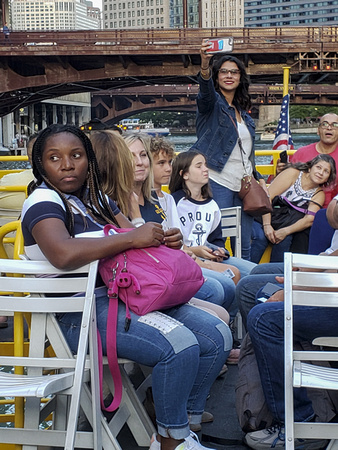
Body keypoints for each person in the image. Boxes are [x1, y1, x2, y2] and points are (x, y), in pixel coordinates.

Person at [20, 124, 232, 450]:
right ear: (40, 164)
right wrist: (133, 236)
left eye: (76, 155)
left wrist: (163, 239)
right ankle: (170, 440)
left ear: (89, 161)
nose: (66, 164)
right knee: (179, 345)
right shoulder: (43, 200)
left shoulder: (98, 199)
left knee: (215, 336)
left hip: (122, 298)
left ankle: (177, 422)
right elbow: (62, 254)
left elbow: (135, 241)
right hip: (80, 314)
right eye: (54, 157)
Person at [242, 198, 338, 449]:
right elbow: (332, 219)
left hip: (333, 297)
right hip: (329, 286)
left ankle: (299, 424)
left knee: (262, 319)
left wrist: (294, 287)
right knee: (255, 290)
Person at [123, 132, 238, 316]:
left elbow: (174, 241)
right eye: (131, 156)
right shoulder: (119, 203)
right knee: (220, 288)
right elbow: (141, 251)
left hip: (173, 265)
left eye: (143, 155)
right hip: (151, 279)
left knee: (237, 280)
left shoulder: (155, 200)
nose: (139, 162)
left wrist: (183, 250)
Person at [191, 39, 264, 260]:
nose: (229, 75)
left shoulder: (243, 112)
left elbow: (245, 152)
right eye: (223, 72)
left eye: (234, 72)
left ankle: (245, 287)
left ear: (241, 77)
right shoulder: (212, 105)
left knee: (250, 240)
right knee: (218, 239)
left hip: (244, 184)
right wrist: (205, 65)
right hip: (218, 181)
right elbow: (205, 93)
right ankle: (222, 281)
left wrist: (257, 176)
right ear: (217, 76)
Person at [250, 154, 336, 263]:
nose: (320, 173)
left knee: (285, 240)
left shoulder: (319, 194)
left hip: (283, 223)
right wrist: (267, 226)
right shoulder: (293, 173)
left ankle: (275, 275)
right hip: (263, 216)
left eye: (326, 171)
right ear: (310, 167)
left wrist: (285, 231)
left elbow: (309, 220)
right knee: (260, 238)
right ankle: (247, 272)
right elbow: (268, 197)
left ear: (328, 177)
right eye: (318, 167)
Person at [276, 113, 338, 208]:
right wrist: (280, 173)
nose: (329, 128)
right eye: (324, 124)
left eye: (335, 125)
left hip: (332, 212)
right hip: (297, 210)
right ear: (318, 130)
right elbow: (287, 185)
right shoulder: (301, 153)